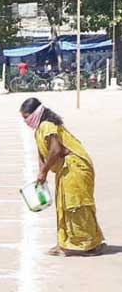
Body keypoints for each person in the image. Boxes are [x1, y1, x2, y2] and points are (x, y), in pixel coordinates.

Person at [19, 98, 105, 256]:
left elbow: (55, 150)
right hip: (64, 169)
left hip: (75, 166)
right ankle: (66, 243)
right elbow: (42, 154)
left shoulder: (47, 126)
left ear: (35, 113)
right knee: (63, 205)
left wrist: (44, 172)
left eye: (26, 116)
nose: (25, 121)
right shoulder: (40, 129)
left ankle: (89, 244)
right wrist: (41, 173)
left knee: (77, 205)